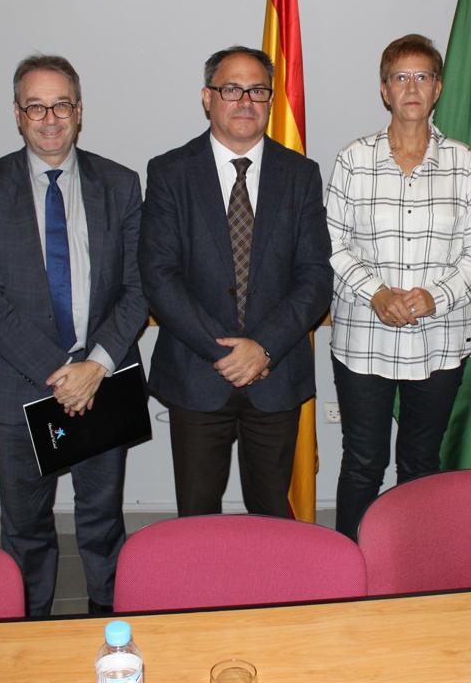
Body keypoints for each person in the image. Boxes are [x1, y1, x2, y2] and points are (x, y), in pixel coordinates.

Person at [0, 55, 146, 616]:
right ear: (17, 115)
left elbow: (140, 287)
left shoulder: (119, 183)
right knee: (26, 529)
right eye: (35, 106)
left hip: (102, 382)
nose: (49, 118)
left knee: (101, 523)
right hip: (22, 388)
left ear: (79, 112)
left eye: (61, 104)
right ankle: (29, 630)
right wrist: (62, 373)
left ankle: (108, 627)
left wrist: (95, 367)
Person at [139, 46, 332, 519]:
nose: (245, 100)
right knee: (197, 512)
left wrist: (262, 348)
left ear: (270, 100)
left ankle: (271, 595)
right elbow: (159, 277)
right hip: (197, 372)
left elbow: (315, 277)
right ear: (208, 98)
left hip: (276, 371)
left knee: (271, 511)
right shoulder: (169, 172)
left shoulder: (301, 175)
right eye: (231, 89)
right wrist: (226, 352)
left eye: (258, 90)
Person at [326, 34, 471, 539]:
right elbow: (332, 243)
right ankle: (349, 565)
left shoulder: (463, 163)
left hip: (438, 340)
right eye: (401, 77)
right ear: (385, 90)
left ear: (438, 88)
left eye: (423, 76)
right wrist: (376, 292)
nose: (412, 87)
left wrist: (434, 296)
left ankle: (410, 566)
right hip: (364, 340)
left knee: (421, 463)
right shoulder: (353, 159)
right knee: (362, 462)